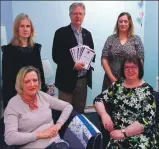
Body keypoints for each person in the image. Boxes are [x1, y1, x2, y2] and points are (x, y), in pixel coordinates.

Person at [93, 55, 158, 149]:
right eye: (126, 67)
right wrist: (104, 115)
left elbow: (146, 121)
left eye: (133, 67)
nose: (130, 70)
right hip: (117, 134)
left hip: (140, 135)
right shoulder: (117, 85)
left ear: (140, 69)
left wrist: (124, 132)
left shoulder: (147, 90)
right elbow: (98, 100)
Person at [4, 66, 73, 149]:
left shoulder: (42, 95)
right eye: (27, 81)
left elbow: (68, 106)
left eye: (35, 80)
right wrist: (40, 134)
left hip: (56, 143)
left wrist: (58, 124)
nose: (32, 85)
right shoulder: (13, 104)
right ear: (20, 83)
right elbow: (10, 138)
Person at [52, 2, 95, 113]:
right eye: (75, 13)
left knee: (79, 112)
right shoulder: (60, 33)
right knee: (65, 113)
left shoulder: (88, 34)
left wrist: (89, 60)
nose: (78, 16)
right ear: (70, 15)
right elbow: (56, 56)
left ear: (84, 15)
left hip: (82, 81)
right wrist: (73, 65)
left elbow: (91, 54)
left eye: (80, 14)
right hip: (66, 80)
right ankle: (64, 130)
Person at [1, 13, 47, 109]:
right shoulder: (8, 50)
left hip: (34, 94)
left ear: (31, 29)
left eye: (28, 26)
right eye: (22, 26)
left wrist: (42, 93)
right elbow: (7, 79)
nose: (25, 29)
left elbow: (40, 73)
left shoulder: (36, 48)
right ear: (17, 29)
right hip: (16, 97)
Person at [101, 12, 144, 91]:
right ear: (117, 23)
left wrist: (134, 78)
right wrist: (112, 79)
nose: (123, 24)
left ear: (129, 23)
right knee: (108, 102)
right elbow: (104, 58)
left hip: (131, 80)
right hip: (110, 79)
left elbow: (140, 60)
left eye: (125, 21)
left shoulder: (136, 39)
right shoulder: (110, 39)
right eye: (120, 21)